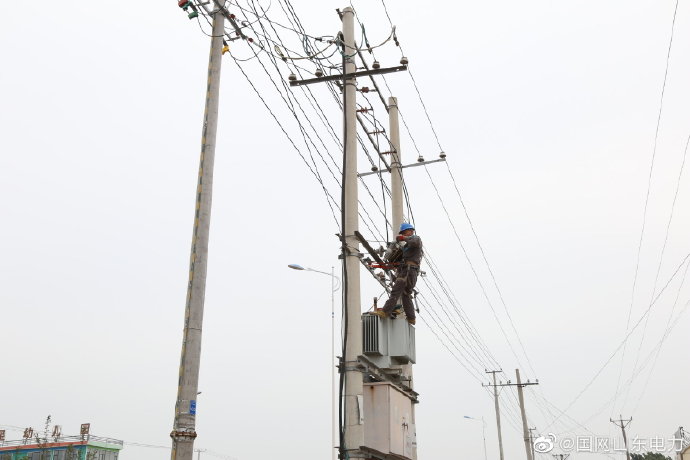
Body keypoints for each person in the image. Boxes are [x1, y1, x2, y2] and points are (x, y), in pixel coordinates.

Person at [374, 222, 423, 325]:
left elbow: (414, 242)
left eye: (405, 232)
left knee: (396, 291)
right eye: (403, 233)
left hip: (408, 271)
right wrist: (391, 252)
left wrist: (403, 238)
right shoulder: (406, 247)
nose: (404, 234)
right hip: (410, 272)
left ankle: (385, 311)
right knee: (406, 294)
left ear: (410, 231)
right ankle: (411, 318)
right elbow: (398, 254)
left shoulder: (416, 239)